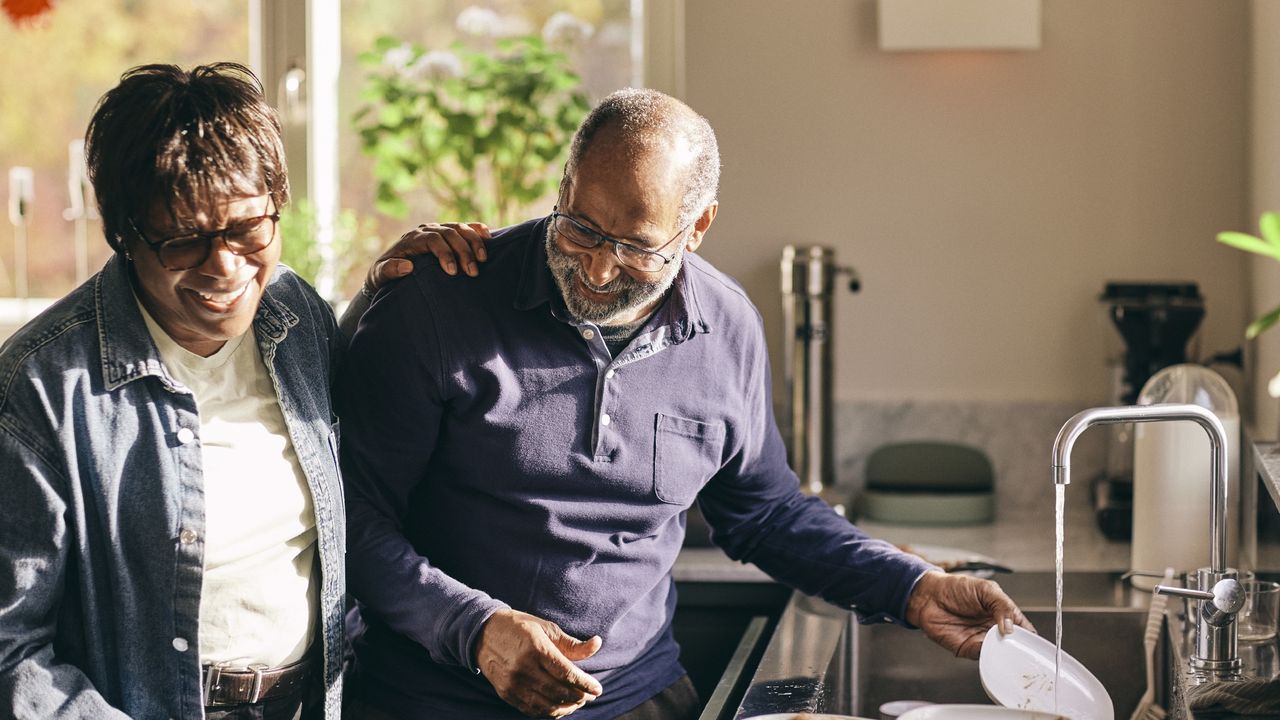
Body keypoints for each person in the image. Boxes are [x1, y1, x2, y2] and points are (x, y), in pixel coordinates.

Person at [336, 88, 1032, 720]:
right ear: (563, 185)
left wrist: (914, 589)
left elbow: (763, 513)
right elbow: (352, 520)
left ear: (697, 227)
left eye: (635, 246)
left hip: (639, 698)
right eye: (579, 226)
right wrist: (478, 630)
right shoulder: (436, 302)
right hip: (431, 701)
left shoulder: (728, 327)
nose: (597, 269)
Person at [0, 63, 467, 720]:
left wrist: (390, 294)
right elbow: (11, 652)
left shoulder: (296, 314)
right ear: (125, 236)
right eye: (186, 240)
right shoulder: (42, 390)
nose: (226, 266)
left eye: (249, 230)